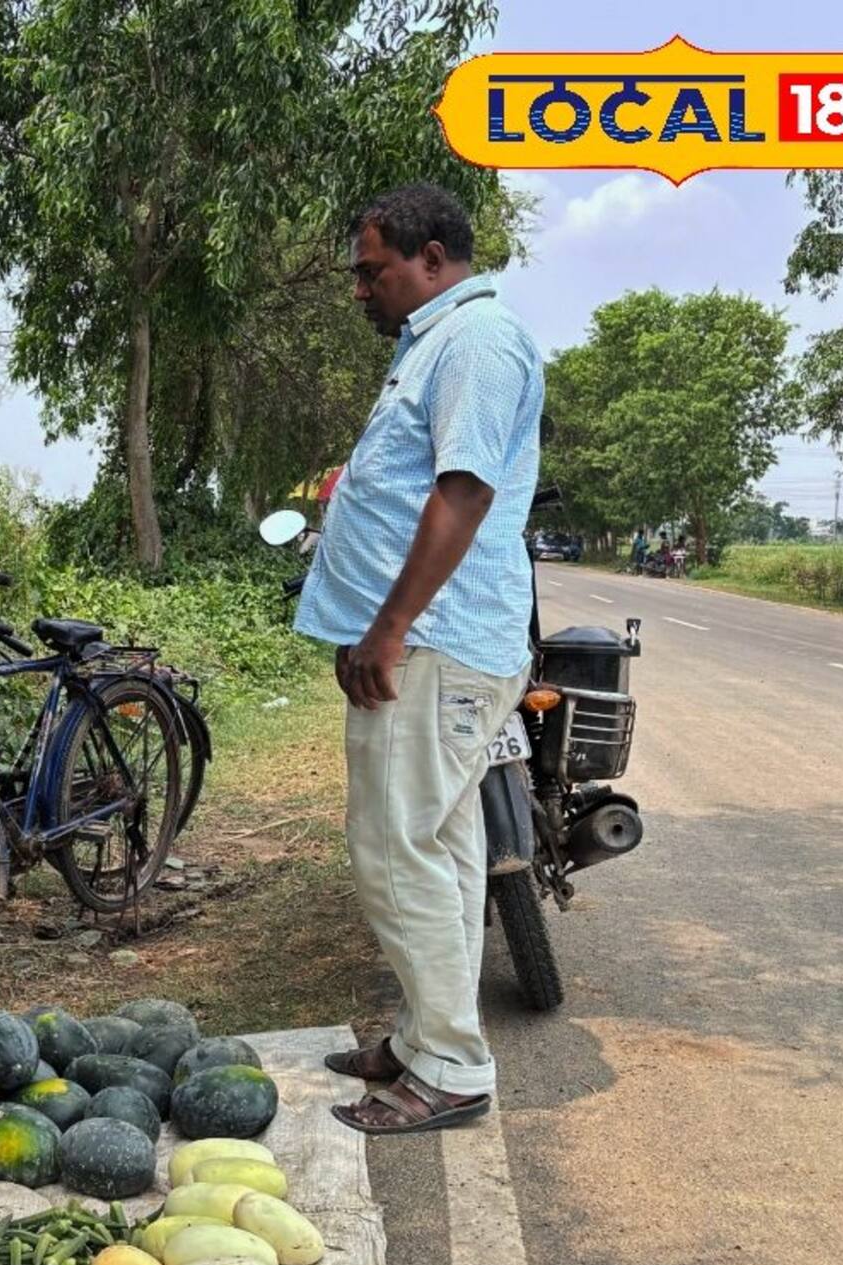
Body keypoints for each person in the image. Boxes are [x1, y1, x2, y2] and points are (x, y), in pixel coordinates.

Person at [296, 183, 541, 1135]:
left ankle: (451, 1068)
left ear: (431, 258)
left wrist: (390, 627)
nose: (360, 289)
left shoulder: (476, 340)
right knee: (437, 848)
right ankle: (423, 1037)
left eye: (372, 270)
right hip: (428, 645)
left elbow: (464, 491)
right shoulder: (435, 346)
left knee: (394, 848)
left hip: (433, 646)